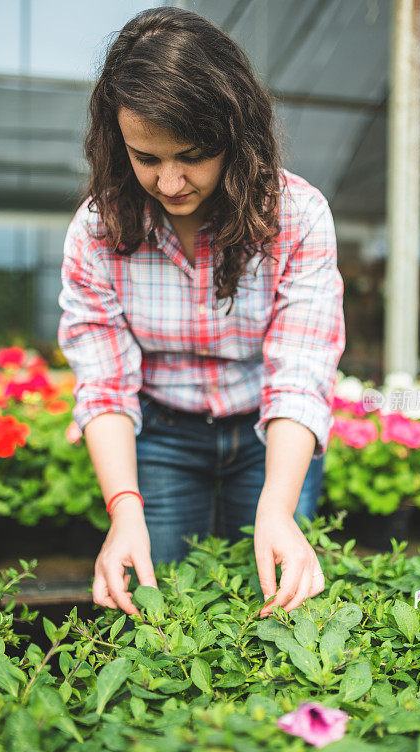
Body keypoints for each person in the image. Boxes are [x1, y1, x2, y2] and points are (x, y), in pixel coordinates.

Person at [57, 6, 345, 620]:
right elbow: (104, 383)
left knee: (279, 602)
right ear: (118, 142)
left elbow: (302, 368)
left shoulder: (296, 216)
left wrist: (278, 509)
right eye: (146, 157)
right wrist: (125, 510)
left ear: (234, 133)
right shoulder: (97, 231)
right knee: (161, 612)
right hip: (161, 435)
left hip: (270, 431)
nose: (168, 181)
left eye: (191, 154)